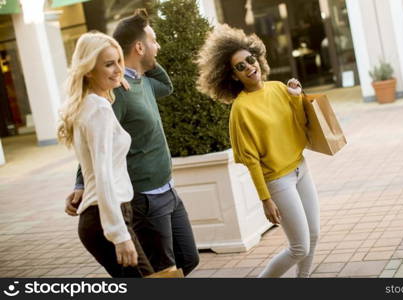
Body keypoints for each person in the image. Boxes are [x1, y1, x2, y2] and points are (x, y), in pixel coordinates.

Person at [64, 9, 199, 276]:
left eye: (117, 61)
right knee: (163, 274)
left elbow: (167, 86)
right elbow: (98, 160)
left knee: (186, 261)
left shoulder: (133, 86)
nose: (158, 46)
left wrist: (138, 54)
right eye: (153, 41)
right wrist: (82, 183)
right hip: (140, 199)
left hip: (165, 190)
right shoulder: (110, 100)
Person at [196, 24, 320, 278]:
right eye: (239, 67)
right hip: (278, 180)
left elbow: (298, 126)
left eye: (250, 60)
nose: (249, 67)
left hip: (301, 167)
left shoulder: (277, 88)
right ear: (232, 76)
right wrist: (265, 199)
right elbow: (250, 160)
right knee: (299, 247)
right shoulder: (240, 109)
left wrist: (296, 98)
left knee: (314, 234)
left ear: (257, 58)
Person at [57, 32, 154, 277]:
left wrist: (112, 80)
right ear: (89, 70)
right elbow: (104, 175)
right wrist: (119, 235)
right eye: (109, 64)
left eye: (119, 62)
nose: (118, 70)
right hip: (106, 217)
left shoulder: (89, 103)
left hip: (102, 216)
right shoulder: (98, 108)